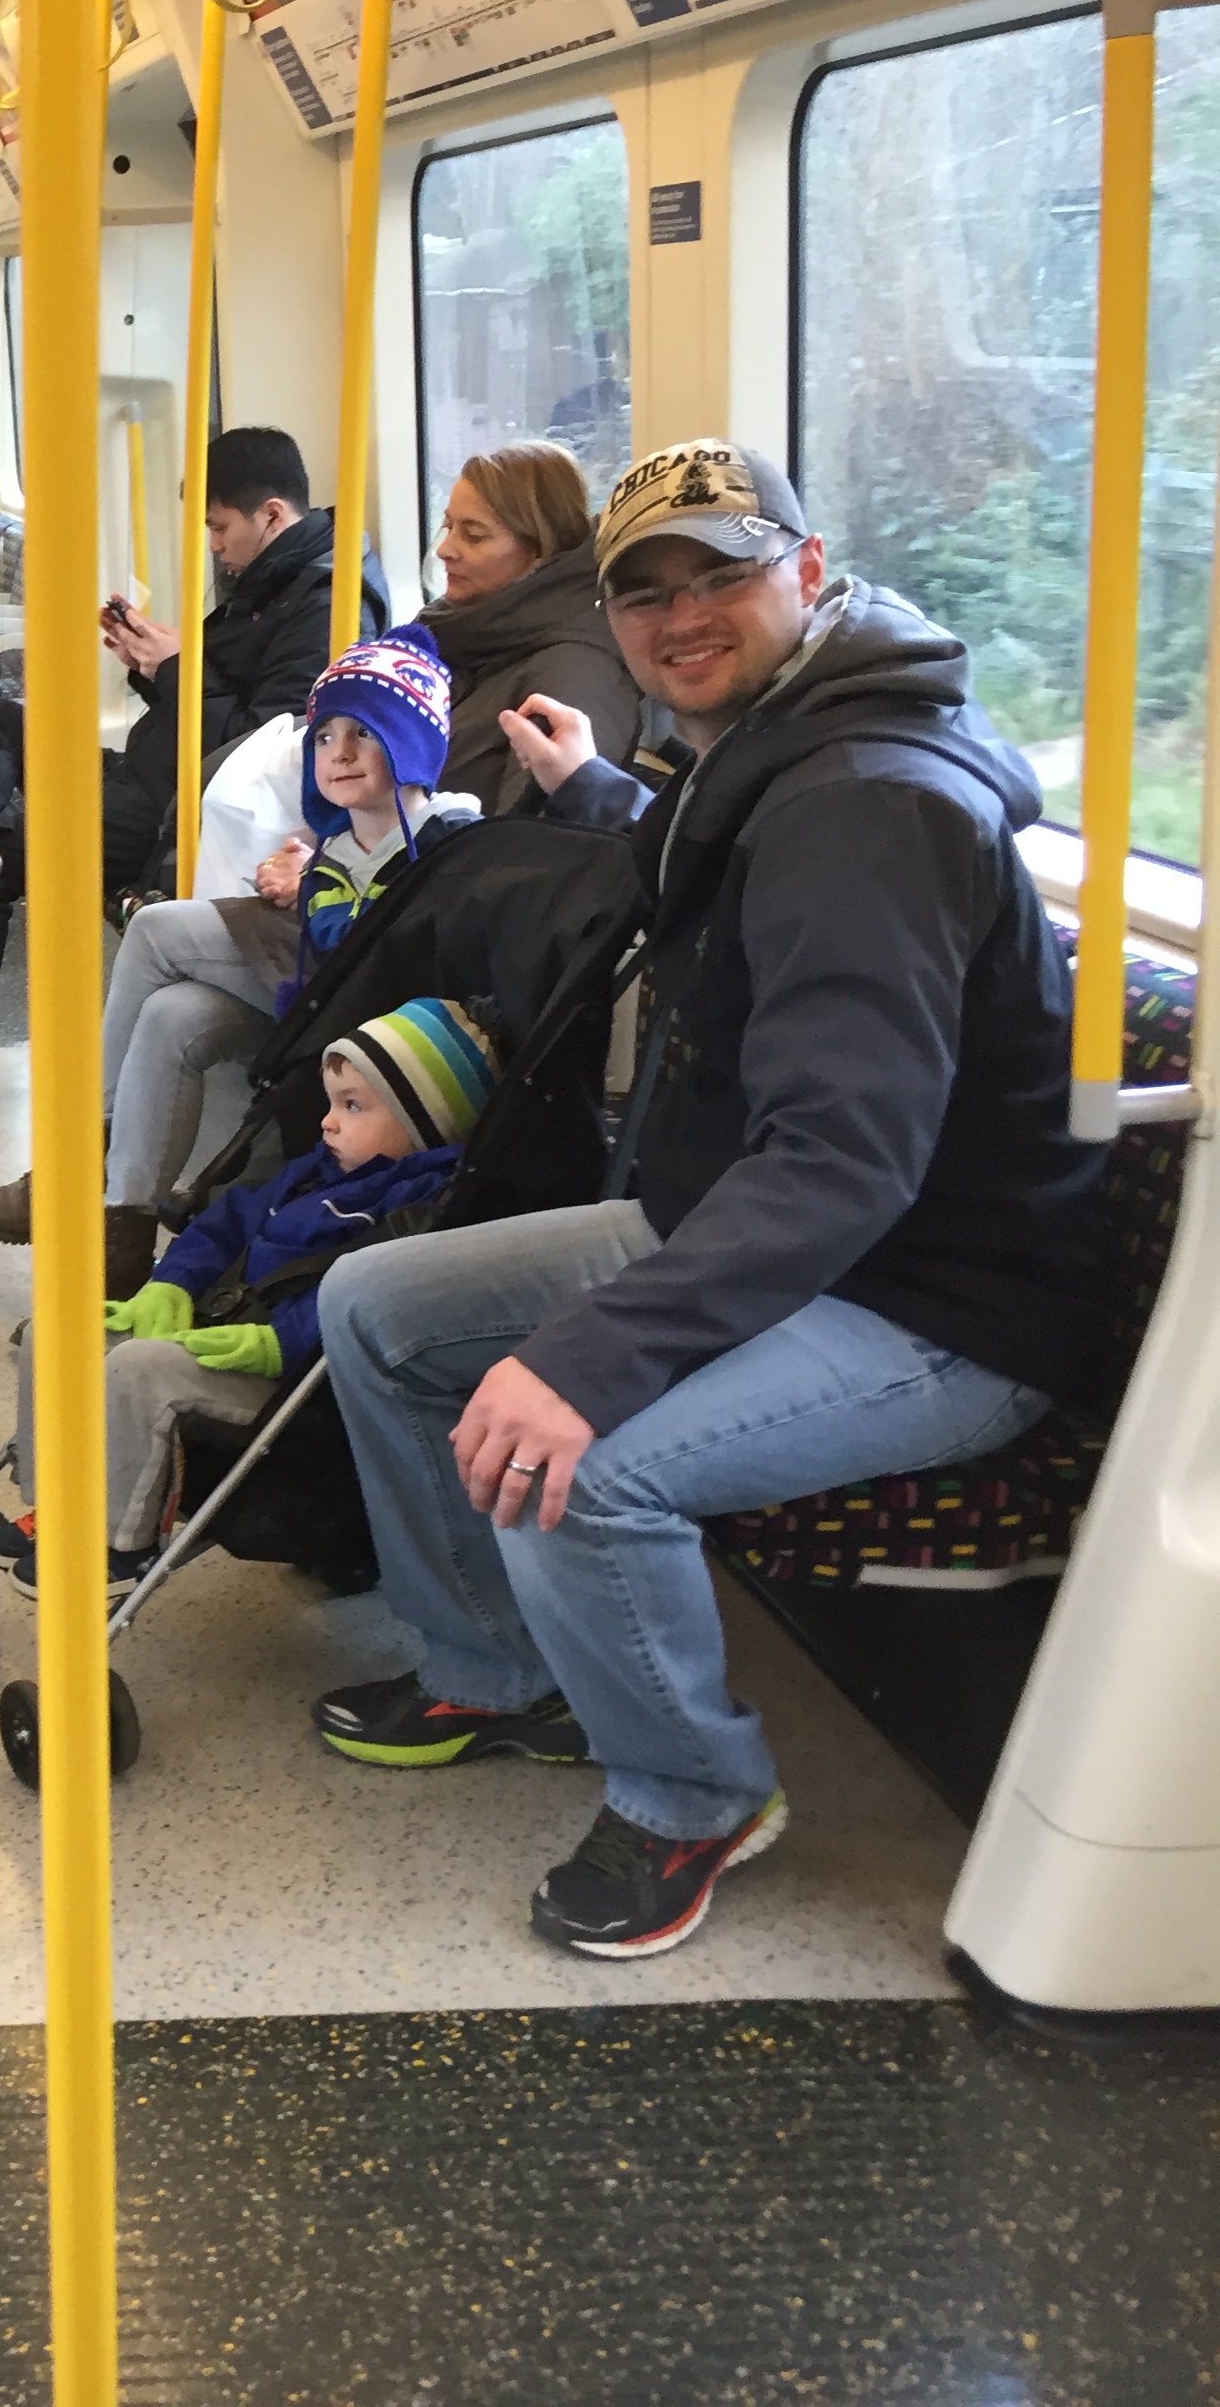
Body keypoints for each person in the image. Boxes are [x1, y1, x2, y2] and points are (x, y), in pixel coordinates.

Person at [309, 440, 1109, 1960]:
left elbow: (845, 1160)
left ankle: (692, 1796)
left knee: (587, 1459)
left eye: (719, 577)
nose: (681, 618)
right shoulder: (773, 746)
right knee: (379, 1307)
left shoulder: (867, 807)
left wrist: (590, 1361)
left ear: (805, 572)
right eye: (645, 592)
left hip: (932, 1303)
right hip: (764, 1230)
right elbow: (725, 885)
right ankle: (496, 1671)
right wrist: (603, 794)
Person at [0, 425, 386, 1114]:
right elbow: (214, 694)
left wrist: (175, 668)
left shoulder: (327, 605)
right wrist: (154, 666)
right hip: (145, 773)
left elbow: (263, 751)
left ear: (272, 514)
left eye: (219, 528)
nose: (214, 545)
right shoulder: (271, 582)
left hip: (174, 810)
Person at [0, 626, 471, 1292]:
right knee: (172, 1014)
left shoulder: (449, 838)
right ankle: (121, 1238)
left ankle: (78, 1160)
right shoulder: (339, 843)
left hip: (377, 1019)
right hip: (321, 1002)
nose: (339, 753)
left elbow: (399, 952)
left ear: (410, 743)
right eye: (324, 737)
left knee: (156, 929)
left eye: (365, 734)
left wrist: (310, 881)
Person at [23, 999, 495, 1571]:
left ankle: (116, 1547)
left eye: (352, 1106)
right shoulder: (317, 1171)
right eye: (331, 1103)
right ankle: (52, 1504)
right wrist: (172, 1283)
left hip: (292, 1379)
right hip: (221, 1326)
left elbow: (369, 1294)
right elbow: (227, 1222)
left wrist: (281, 1342)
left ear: (424, 1124)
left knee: (137, 1370)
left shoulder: (415, 1207)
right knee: (53, 1335)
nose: (327, 1122)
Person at [416, 441, 647, 815]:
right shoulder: (462, 636)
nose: (445, 549)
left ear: (539, 549)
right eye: (448, 526)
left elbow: (540, 837)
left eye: (473, 535)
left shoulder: (575, 673)